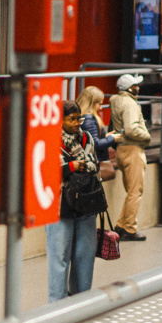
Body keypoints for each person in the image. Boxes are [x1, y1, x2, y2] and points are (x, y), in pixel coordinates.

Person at [47, 100, 104, 300]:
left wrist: (73, 166)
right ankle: (56, 304)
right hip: (59, 205)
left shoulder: (86, 137)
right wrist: (72, 167)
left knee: (84, 255)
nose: (77, 123)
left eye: (78, 118)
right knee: (59, 257)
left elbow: (94, 164)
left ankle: (82, 299)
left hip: (86, 202)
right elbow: (48, 171)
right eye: (71, 119)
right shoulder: (49, 141)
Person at [109, 72, 152, 239]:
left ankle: (121, 224)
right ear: (129, 88)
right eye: (135, 86)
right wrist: (146, 136)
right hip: (133, 149)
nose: (138, 88)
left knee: (131, 191)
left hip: (121, 149)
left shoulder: (116, 101)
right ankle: (129, 228)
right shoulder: (130, 104)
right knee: (136, 192)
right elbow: (131, 129)